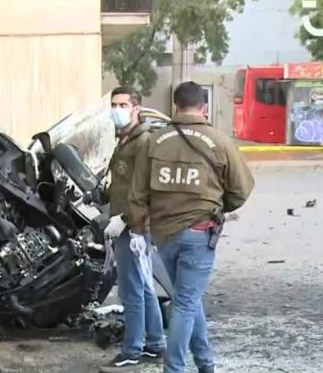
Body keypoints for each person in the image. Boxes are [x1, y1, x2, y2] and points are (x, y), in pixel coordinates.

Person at [128, 81, 255, 373]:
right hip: (200, 233)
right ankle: (174, 369)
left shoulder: (154, 141)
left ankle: (205, 363)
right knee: (185, 303)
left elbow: (137, 193)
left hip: (164, 236)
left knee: (188, 297)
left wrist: (138, 228)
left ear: (176, 106)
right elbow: (241, 189)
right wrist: (219, 207)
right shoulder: (219, 141)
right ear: (204, 107)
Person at [100, 87, 166, 373]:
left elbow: (146, 190)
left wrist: (124, 219)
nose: (117, 110)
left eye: (123, 105)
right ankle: (155, 343)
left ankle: (132, 351)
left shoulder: (143, 142)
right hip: (129, 225)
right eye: (114, 104)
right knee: (144, 286)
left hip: (134, 227)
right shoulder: (125, 140)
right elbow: (124, 184)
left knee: (131, 291)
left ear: (136, 108)